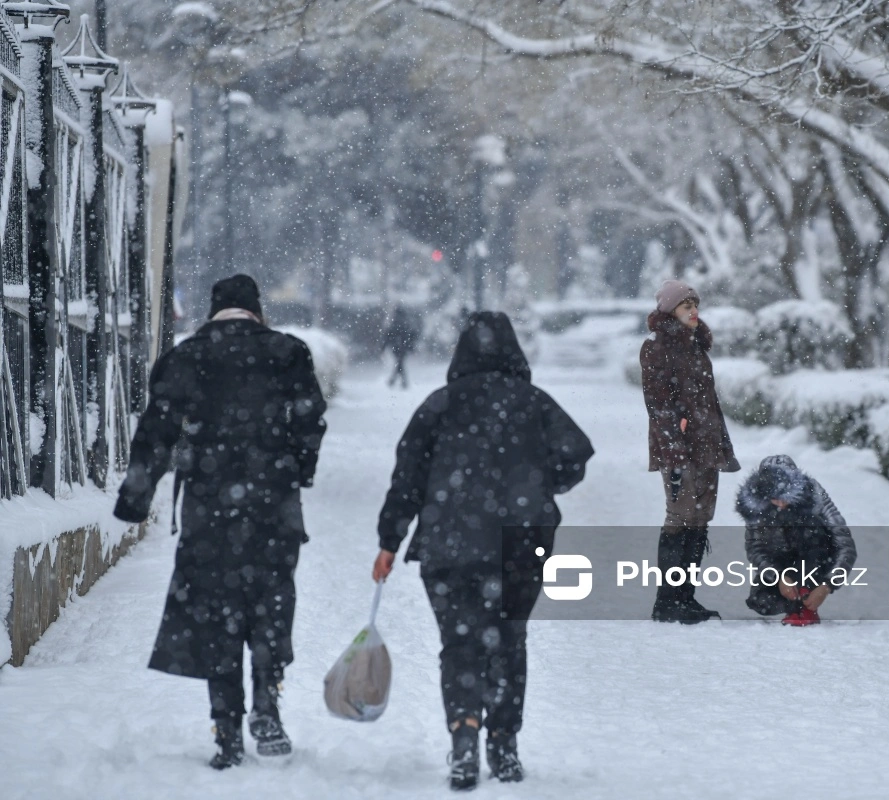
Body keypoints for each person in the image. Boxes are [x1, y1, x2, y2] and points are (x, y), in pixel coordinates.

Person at [113, 275, 327, 769]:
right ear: (257, 310)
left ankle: (226, 727)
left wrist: (136, 498)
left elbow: (156, 432)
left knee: (217, 612)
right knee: (272, 600)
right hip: (274, 505)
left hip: (209, 508)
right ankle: (268, 700)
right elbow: (310, 419)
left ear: (213, 311)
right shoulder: (287, 353)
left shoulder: (186, 357)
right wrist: (298, 470)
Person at [372, 311, 593, 790]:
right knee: (509, 642)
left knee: (460, 642)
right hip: (521, 542)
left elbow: (406, 477)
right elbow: (577, 453)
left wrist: (390, 540)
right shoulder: (534, 404)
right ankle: (504, 745)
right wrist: (541, 485)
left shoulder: (440, 405)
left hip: (448, 545)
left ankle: (464, 734)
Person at [640, 279, 740, 624]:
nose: (694, 311)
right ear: (670, 310)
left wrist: (719, 444)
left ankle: (686, 597)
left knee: (700, 519)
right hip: (679, 449)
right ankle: (667, 601)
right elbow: (659, 405)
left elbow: (707, 404)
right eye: (686, 306)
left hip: (707, 444)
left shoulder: (696, 346)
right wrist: (674, 451)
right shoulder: (657, 347)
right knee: (679, 517)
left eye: (695, 305)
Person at [735, 455, 856, 626]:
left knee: (809, 529)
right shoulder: (756, 506)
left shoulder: (815, 495)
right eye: (775, 498)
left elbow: (846, 546)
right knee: (762, 602)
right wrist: (779, 577)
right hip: (782, 561)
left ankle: (806, 602)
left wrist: (827, 586)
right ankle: (795, 601)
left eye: (786, 497)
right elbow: (755, 549)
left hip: (816, 558)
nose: (781, 504)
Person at [385, 305, 421, 389]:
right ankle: (398, 381)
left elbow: (388, 335)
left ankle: (394, 381)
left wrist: (386, 345)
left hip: (396, 347)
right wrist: (411, 345)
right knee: (400, 363)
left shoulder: (394, 322)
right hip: (403, 347)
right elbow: (412, 334)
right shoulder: (406, 322)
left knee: (399, 363)